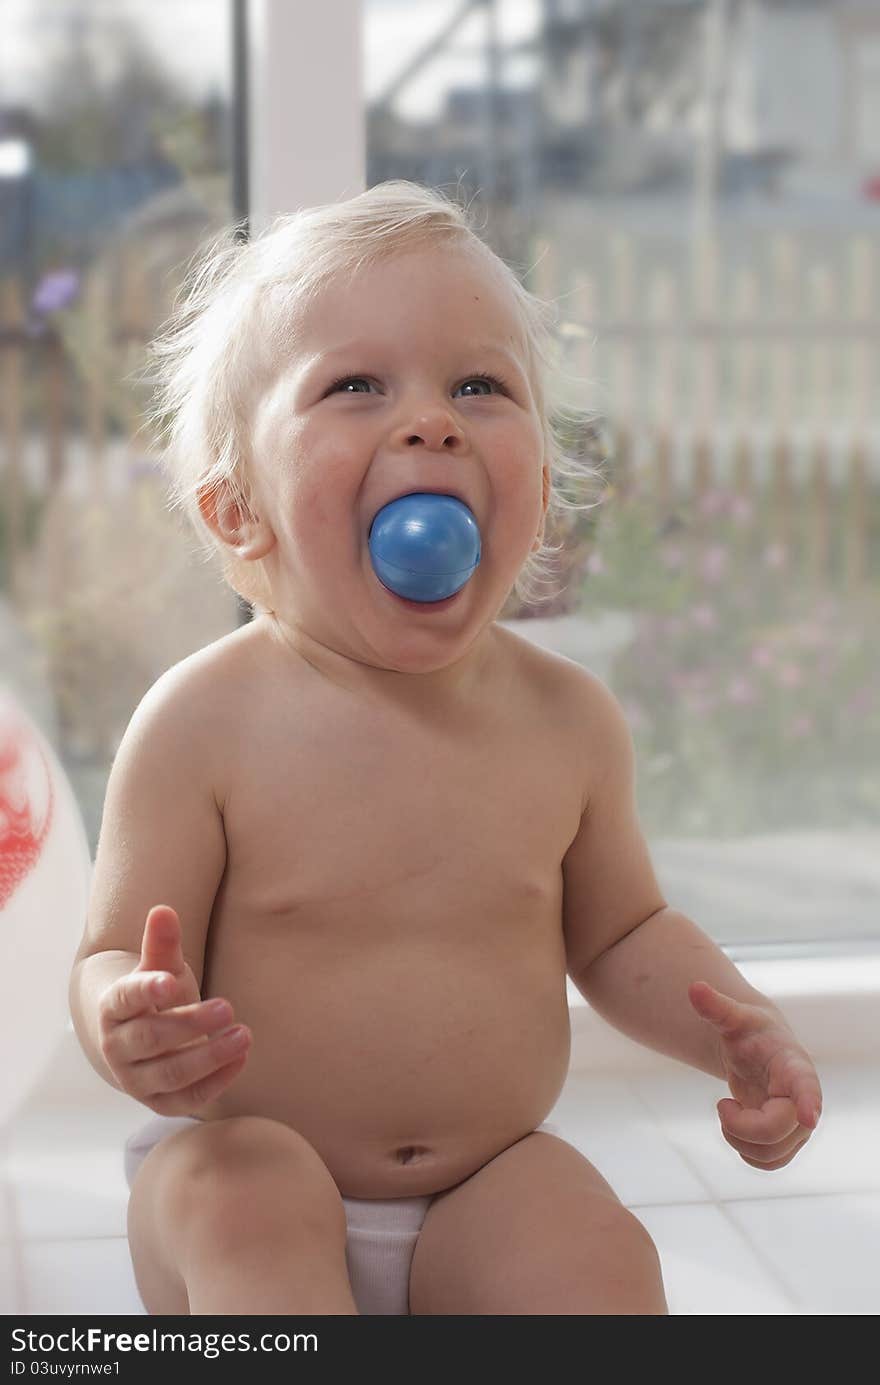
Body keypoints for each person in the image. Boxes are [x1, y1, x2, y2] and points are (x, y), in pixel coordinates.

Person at [68, 181, 822, 1317]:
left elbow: (622, 933)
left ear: (539, 498)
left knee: (592, 1245)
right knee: (241, 1200)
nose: (433, 420)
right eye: (354, 386)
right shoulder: (200, 723)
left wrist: (738, 1029)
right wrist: (129, 1015)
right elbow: (110, 949)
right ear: (238, 511)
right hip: (253, 1167)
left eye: (480, 384)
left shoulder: (567, 721)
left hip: (486, 1175)